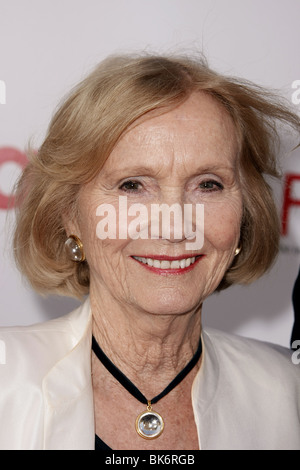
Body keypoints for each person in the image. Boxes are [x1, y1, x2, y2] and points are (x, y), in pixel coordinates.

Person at [1, 53, 300, 450]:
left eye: (207, 185)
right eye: (132, 186)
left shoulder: (288, 393)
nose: (173, 225)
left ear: (246, 214)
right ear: (69, 215)